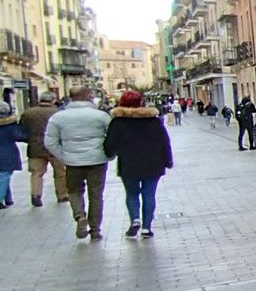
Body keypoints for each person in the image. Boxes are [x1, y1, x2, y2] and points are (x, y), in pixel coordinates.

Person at [45, 86, 112, 240]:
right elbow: (112, 137)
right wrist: (108, 155)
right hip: (97, 160)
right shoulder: (100, 116)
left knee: (74, 191)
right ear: (89, 96)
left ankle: (80, 216)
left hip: (72, 162)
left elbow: (49, 142)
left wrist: (64, 156)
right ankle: (95, 229)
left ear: (70, 97)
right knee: (96, 194)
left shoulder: (58, 117)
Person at [105, 90, 173, 238]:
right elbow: (164, 142)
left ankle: (135, 219)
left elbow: (110, 144)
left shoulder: (118, 122)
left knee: (132, 193)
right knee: (149, 193)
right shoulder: (154, 120)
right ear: (141, 102)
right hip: (153, 162)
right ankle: (146, 227)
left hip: (129, 163)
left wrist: (110, 153)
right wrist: (168, 160)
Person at [19, 92, 68, 207]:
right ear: (53, 100)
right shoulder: (59, 113)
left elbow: (22, 130)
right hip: (55, 147)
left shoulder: (28, 113)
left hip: (35, 147)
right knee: (60, 173)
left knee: (36, 173)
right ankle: (62, 195)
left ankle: (36, 195)